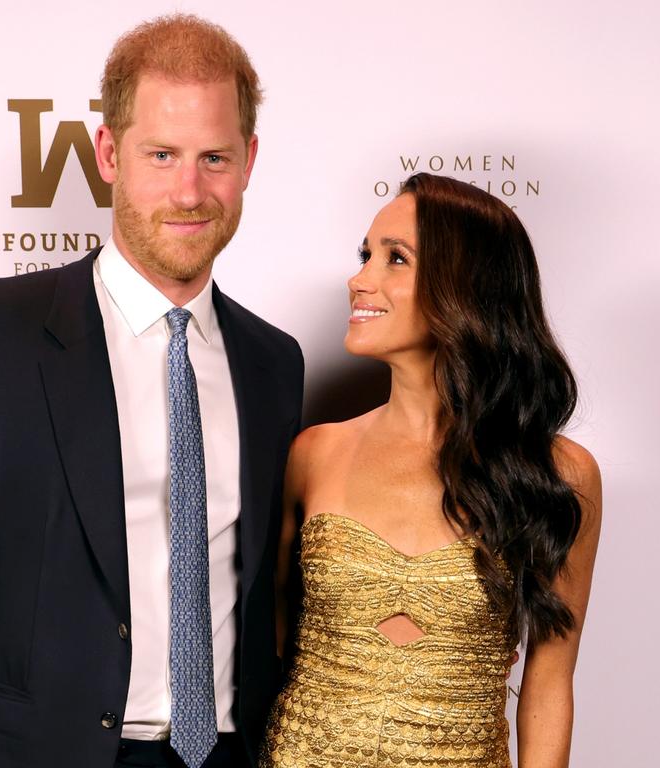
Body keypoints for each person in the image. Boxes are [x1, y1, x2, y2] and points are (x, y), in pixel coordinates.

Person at [0, 15, 303, 768]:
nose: (189, 190)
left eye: (214, 157)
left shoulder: (275, 363)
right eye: (162, 154)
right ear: (109, 153)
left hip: (229, 755)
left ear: (249, 162)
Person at [260, 173, 602, 768]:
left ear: (466, 287)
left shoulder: (560, 476)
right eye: (365, 255)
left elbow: (549, 682)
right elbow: (272, 649)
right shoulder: (314, 453)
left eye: (395, 259)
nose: (359, 279)